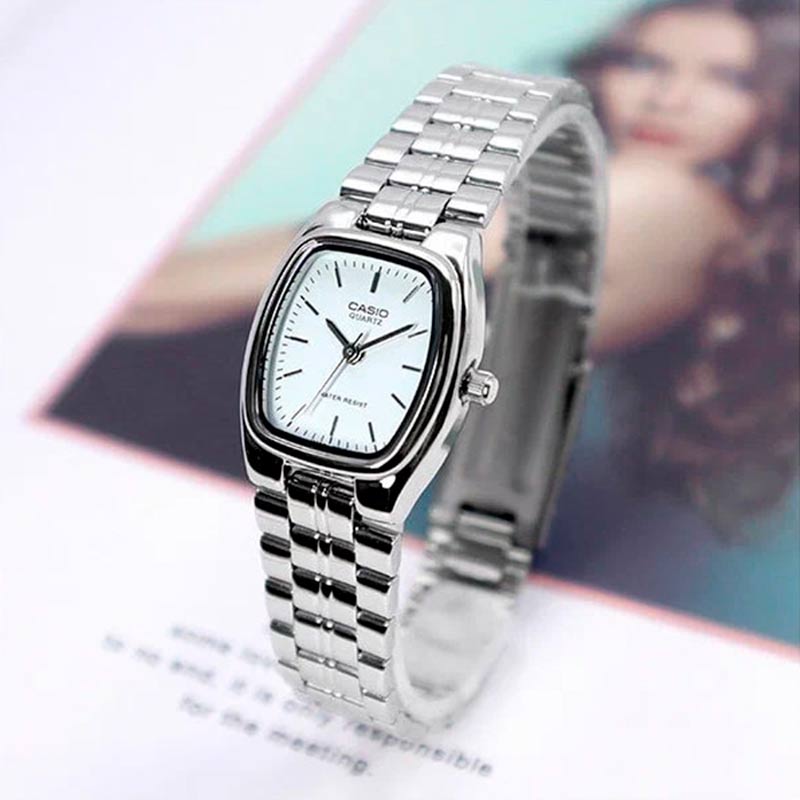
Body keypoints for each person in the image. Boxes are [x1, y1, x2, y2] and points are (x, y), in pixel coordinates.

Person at [53, 0, 799, 641]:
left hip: (197, 410)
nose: (670, 98)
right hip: (276, 449)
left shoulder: (659, 193)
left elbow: (219, 284)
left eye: (729, 79)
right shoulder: (729, 241)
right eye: (643, 63)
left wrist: (74, 301)